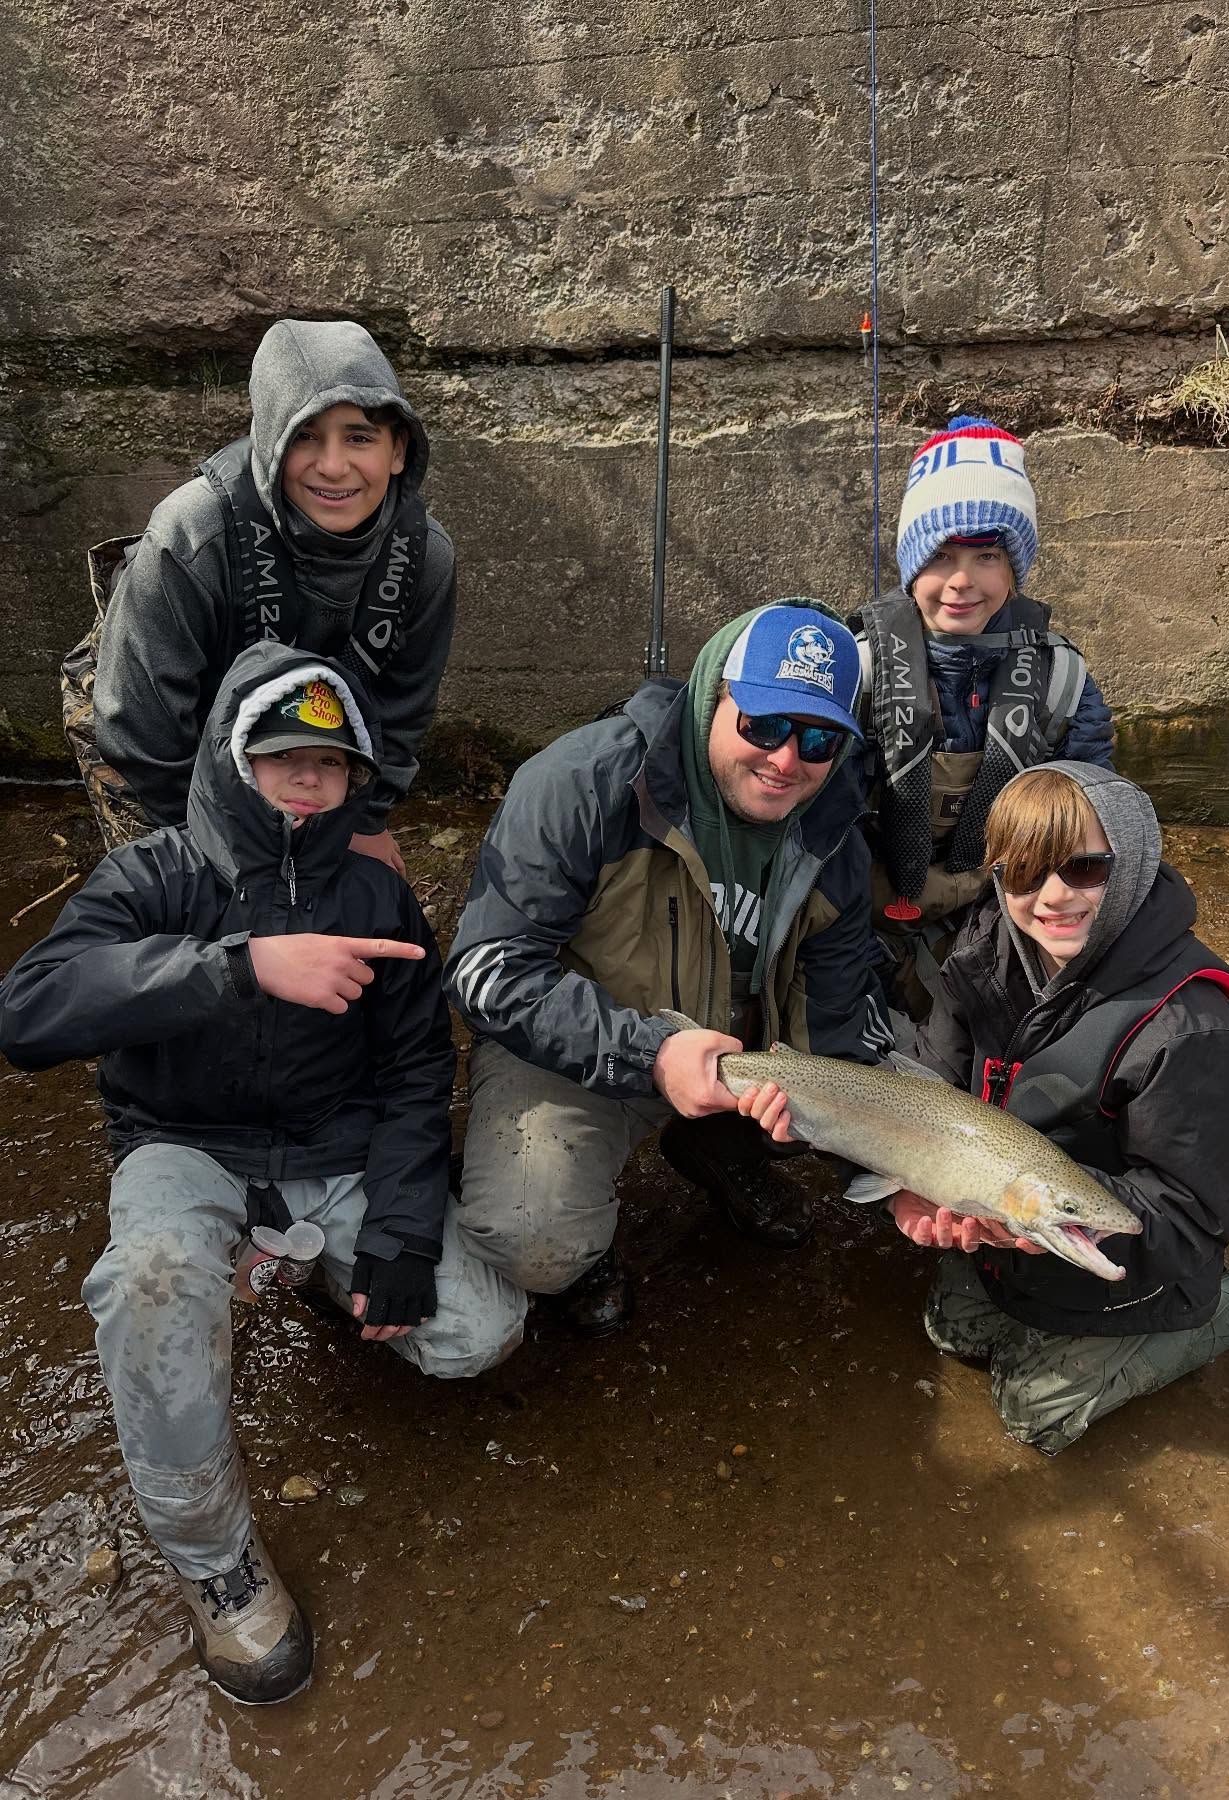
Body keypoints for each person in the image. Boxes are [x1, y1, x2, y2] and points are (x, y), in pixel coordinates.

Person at [0, 644, 525, 1704]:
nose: (302, 779)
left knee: (480, 1334)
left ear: (351, 781)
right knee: (152, 1283)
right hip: (181, 1147)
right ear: (231, 764)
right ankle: (217, 1567)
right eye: (278, 756)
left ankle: (328, 1282)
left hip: (333, 1149)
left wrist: (403, 1235)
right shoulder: (153, 875)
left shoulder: (380, 899)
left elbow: (420, 1069)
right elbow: (30, 1011)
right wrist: (236, 968)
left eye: (326, 765)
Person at [444, 602, 894, 1335]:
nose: (786, 760)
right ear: (716, 694)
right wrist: (651, 1055)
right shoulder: (584, 781)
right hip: (593, 1044)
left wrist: (854, 1145)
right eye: (766, 724)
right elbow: (487, 972)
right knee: (536, 1240)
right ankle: (573, 1243)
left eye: (817, 739)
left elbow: (838, 1012)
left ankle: (719, 1147)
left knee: (885, 1063)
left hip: (743, 1065)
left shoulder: (835, 831)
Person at [889, 762, 1229, 1453]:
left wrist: (1038, 1221)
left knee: (1032, 1413)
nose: (1053, 896)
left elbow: (1186, 1219)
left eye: (1085, 868)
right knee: (954, 1330)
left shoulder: (1189, 1026)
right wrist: (909, 1182)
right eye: (1025, 874)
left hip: (1119, 1241)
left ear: (1134, 863)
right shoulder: (983, 948)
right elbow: (929, 1080)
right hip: (1017, 1213)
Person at [62, 318, 457, 873]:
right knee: (177, 896)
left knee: (326, 881)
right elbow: (139, 726)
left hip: (310, 720)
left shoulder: (426, 556)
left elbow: (404, 706)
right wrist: (216, 856)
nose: (334, 465)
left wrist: (367, 821)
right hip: (155, 718)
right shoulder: (193, 533)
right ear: (269, 447)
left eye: (360, 437)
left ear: (399, 451)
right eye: (304, 436)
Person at [850, 415, 1114, 1022]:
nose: (962, 581)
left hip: (999, 912)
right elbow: (816, 835)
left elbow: (1091, 833)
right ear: (911, 565)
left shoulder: (1065, 683)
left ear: (1015, 569)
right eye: (941, 556)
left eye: (988, 556)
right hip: (859, 911)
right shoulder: (857, 673)